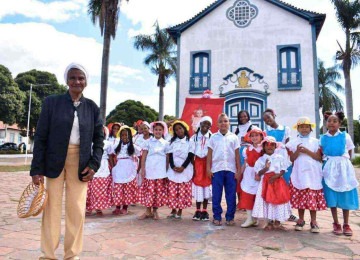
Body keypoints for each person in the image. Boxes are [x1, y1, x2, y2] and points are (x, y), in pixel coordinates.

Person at [30, 63, 104, 260]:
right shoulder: (51, 103)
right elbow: (41, 136)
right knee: (51, 208)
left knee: (77, 210)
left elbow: (99, 140)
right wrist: (36, 169)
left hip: (80, 162)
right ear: (66, 81)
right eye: (73, 78)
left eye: (80, 78)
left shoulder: (92, 108)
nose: (77, 81)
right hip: (54, 161)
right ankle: (48, 255)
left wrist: (94, 164)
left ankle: (72, 255)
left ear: (86, 82)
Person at [320, 111, 359, 236]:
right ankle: (335, 222)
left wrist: (346, 164)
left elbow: (350, 150)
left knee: (345, 193)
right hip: (329, 168)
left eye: (334, 121)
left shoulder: (345, 136)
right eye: (329, 121)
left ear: (339, 123)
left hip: (343, 168)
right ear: (326, 123)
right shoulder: (323, 138)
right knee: (331, 196)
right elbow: (321, 153)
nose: (331, 123)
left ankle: (346, 224)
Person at [285, 117, 326, 233]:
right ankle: (301, 220)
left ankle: (313, 221)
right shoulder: (293, 143)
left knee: (312, 197)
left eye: (306, 127)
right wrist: (298, 151)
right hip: (299, 173)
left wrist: (306, 151)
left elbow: (319, 158)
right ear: (297, 129)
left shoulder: (316, 142)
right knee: (300, 198)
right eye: (301, 127)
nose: (304, 129)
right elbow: (292, 159)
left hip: (312, 174)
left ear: (310, 128)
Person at [263, 108, 298, 222]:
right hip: (272, 161)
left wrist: (290, 159)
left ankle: (288, 212)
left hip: (283, 160)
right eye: (265, 119)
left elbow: (288, 145)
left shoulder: (285, 129)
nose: (267, 120)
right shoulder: (266, 131)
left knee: (285, 186)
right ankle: (273, 213)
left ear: (274, 115)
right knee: (273, 186)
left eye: (268, 117)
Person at [207, 113, 241, 226]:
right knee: (216, 195)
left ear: (229, 123)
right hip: (217, 169)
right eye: (221, 121)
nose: (223, 123)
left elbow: (237, 155)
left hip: (231, 169)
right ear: (217, 124)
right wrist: (208, 168)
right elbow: (209, 154)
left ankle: (230, 217)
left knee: (231, 195)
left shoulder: (234, 137)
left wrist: (238, 170)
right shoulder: (213, 137)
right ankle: (217, 216)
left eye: (225, 121)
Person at [252, 136, 292, 231]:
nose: (270, 147)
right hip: (266, 183)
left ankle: (278, 222)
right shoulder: (261, 159)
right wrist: (266, 168)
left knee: (279, 201)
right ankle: (269, 222)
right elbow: (259, 172)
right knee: (268, 201)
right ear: (264, 147)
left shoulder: (280, 158)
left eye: (272, 145)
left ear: (275, 147)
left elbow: (283, 169)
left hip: (277, 182)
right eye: (267, 145)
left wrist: (277, 176)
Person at [138, 121, 169, 220]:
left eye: (160, 130)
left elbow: (168, 158)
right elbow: (143, 156)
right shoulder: (148, 142)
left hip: (160, 171)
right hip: (150, 170)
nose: (158, 132)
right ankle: (147, 211)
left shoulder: (166, 143)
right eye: (156, 130)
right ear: (153, 130)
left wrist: (167, 171)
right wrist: (143, 169)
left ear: (163, 131)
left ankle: (155, 211)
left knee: (157, 192)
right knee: (149, 191)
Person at [166, 120, 194, 219]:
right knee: (173, 191)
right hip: (174, 169)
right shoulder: (172, 142)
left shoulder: (190, 142)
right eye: (176, 130)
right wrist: (173, 166)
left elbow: (190, 155)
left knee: (182, 191)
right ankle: (173, 210)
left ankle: (180, 211)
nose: (178, 131)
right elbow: (170, 155)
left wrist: (183, 167)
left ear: (184, 129)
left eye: (180, 128)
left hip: (184, 169)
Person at [239, 127, 265, 227]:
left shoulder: (263, 149)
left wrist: (260, 173)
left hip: (259, 174)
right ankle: (249, 218)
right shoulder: (247, 149)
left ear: (261, 136)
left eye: (256, 135)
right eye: (252, 136)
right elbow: (245, 162)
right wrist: (240, 172)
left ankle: (255, 218)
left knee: (257, 196)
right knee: (247, 195)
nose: (254, 138)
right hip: (249, 174)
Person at [110, 125, 139, 215]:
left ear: (130, 136)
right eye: (122, 135)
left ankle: (125, 207)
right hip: (119, 168)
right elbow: (111, 155)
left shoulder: (134, 147)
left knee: (127, 188)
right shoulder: (116, 146)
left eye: (126, 135)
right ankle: (118, 207)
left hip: (129, 167)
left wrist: (138, 168)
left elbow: (141, 155)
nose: (124, 137)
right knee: (118, 188)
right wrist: (113, 165)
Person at [86, 126, 113, 217]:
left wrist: (112, 167)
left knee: (100, 190)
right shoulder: (89, 143)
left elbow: (111, 157)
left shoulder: (108, 144)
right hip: (91, 167)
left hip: (103, 168)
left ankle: (99, 208)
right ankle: (88, 208)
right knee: (89, 190)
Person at [190, 116, 212, 221]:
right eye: (204, 123)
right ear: (200, 124)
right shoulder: (194, 138)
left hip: (208, 163)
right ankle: (197, 210)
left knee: (206, 187)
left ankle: (205, 210)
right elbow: (191, 153)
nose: (206, 126)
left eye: (208, 124)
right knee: (198, 186)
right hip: (197, 163)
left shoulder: (212, 137)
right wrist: (193, 167)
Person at [234, 110, 253, 209]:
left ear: (248, 116)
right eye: (241, 117)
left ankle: (247, 202)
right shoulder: (237, 129)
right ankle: (240, 202)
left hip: (249, 154)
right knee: (239, 178)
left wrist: (246, 140)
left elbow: (257, 140)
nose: (243, 118)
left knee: (247, 178)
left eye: (245, 116)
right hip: (238, 155)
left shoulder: (253, 127)